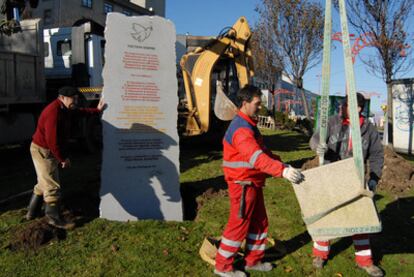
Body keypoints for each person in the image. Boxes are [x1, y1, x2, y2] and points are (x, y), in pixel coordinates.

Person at [214, 85, 304, 277]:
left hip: (251, 183)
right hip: (243, 185)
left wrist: (282, 164)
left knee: (259, 222)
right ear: (245, 103)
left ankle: (252, 260)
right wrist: (283, 172)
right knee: (238, 225)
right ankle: (222, 266)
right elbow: (257, 159)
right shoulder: (241, 130)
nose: (260, 107)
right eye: (257, 103)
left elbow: (263, 153)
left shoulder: (248, 125)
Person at [309, 93, 384, 277]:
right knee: (326, 217)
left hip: (355, 179)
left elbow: (376, 155)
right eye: (342, 104)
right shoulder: (333, 122)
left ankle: (365, 261)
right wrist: (317, 146)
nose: (341, 108)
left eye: (346, 105)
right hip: (330, 176)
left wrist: (373, 178)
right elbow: (315, 138)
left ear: (358, 108)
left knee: (359, 220)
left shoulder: (368, 129)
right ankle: (320, 254)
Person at [25, 86, 105, 229]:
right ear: (61, 97)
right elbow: (52, 141)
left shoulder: (65, 108)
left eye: (76, 98)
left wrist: (96, 110)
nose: (75, 101)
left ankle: (32, 212)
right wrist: (62, 159)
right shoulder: (53, 112)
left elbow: (80, 112)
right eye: (72, 99)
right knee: (52, 184)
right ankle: (53, 218)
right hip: (43, 150)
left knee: (43, 182)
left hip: (47, 149)